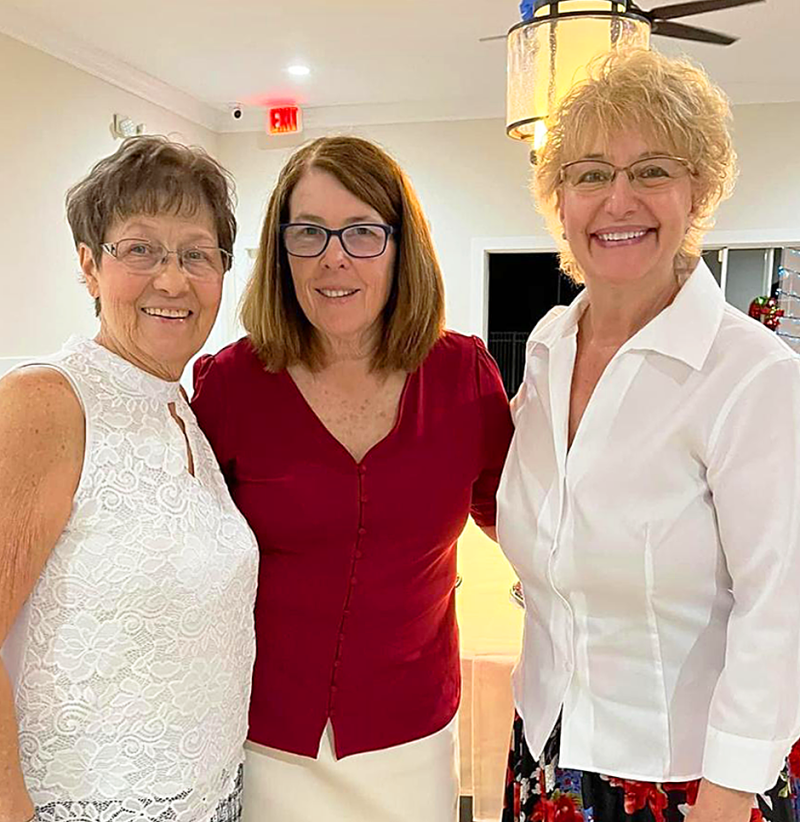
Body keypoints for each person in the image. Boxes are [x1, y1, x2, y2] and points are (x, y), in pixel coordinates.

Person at [497, 48, 800, 822]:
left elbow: (783, 607)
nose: (618, 200)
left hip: (692, 779)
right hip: (548, 749)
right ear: (558, 198)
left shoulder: (753, 375)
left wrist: (730, 794)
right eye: (591, 173)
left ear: (697, 191)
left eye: (653, 170)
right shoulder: (547, 348)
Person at [191, 135, 513, 822]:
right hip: (264, 735)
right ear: (282, 251)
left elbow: (526, 522)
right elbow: (184, 555)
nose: (334, 257)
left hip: (412, 734)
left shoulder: (465, 379)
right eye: (309, 232)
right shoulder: (230, 386)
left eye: (363, 231)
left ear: (402, 248)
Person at [0, 136, 259, 822]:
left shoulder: (180, 405)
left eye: (196, 254)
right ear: (89, 265)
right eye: (140, 249)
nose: (172, 281)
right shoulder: (48, 401)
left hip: (216, 797)